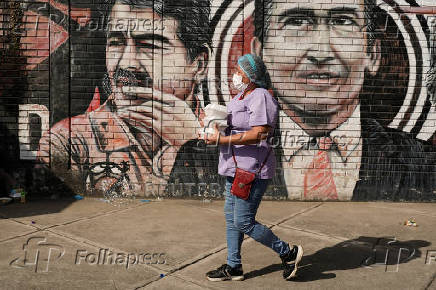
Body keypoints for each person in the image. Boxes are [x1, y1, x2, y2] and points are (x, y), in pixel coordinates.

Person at [251, 0, 435, 200]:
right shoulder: (225, 156)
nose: (320, 53)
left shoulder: (424, 164)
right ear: (261, 55)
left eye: (343, 21)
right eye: (295, 22)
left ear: (372, 55)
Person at [36, 0, 221, 196]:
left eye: (150, 45)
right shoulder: (70, 142)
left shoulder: (226, 132)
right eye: (116, 43)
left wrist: (192, 144)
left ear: (199, 64)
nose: (126, 63)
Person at [202, 54, 304, 281]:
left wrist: (223, 140)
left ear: (251, 75)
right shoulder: (239, 96)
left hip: (252, 170)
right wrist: (211, 125)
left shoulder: (261, 97)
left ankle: (288, 252)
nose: (235, 75)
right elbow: (233, 126)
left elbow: (260, 133)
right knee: (231, 218)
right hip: (233, 168)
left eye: (239, 71)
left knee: (243, 221)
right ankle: (233, 266)